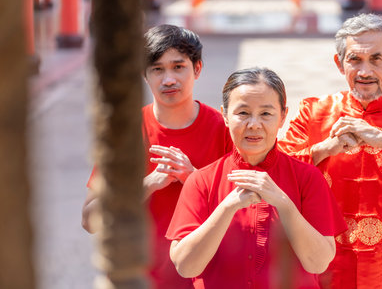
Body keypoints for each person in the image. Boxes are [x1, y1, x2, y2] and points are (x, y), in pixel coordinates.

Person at [166, 67, 347, 288]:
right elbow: (186, 267)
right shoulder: (201, 180)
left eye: (266, 113)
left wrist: (283, 203)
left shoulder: (307, 177)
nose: (253, 124)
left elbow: (318, 263)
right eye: (242, 113)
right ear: (224, 115)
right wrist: (226, 208)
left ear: (282, 117)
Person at [81, 24, 233, 288]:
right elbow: (90, 219)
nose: (168, 80)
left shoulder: (224, 129)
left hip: (208, 279)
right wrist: (149, 184)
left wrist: (194, 180)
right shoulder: (125, 133)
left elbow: (249, 215)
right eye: (157, 69)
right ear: (145, 74)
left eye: (178, 67)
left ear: (197, 69)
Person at [278, 13, 382, 288]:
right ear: (339, 64)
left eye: (376, 59)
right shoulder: (313, 112)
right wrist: (326, 148)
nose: (364, 72)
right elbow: (277, 171)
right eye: (355, 60)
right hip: (328, 266)